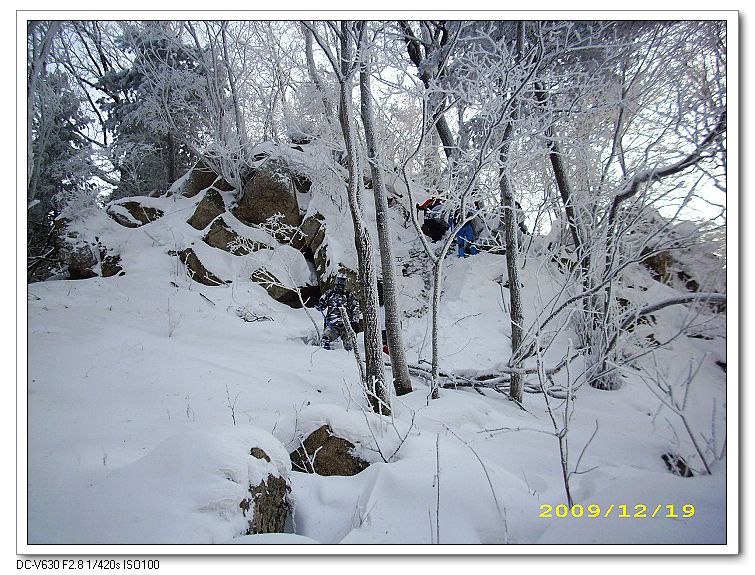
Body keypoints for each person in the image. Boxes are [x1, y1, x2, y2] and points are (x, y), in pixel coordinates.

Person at [315, 275, 361, 350]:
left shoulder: (349, 295)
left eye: (342, 282)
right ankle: (325, 355)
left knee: (350, 344)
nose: (340, 284)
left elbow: (356, 308)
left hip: (346, 326)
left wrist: (355, 322)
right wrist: (319, 304)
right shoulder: (329, 294)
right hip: (332, 325)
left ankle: (348, 356)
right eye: (338, 281)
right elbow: (321, 306)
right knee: (325, 339)